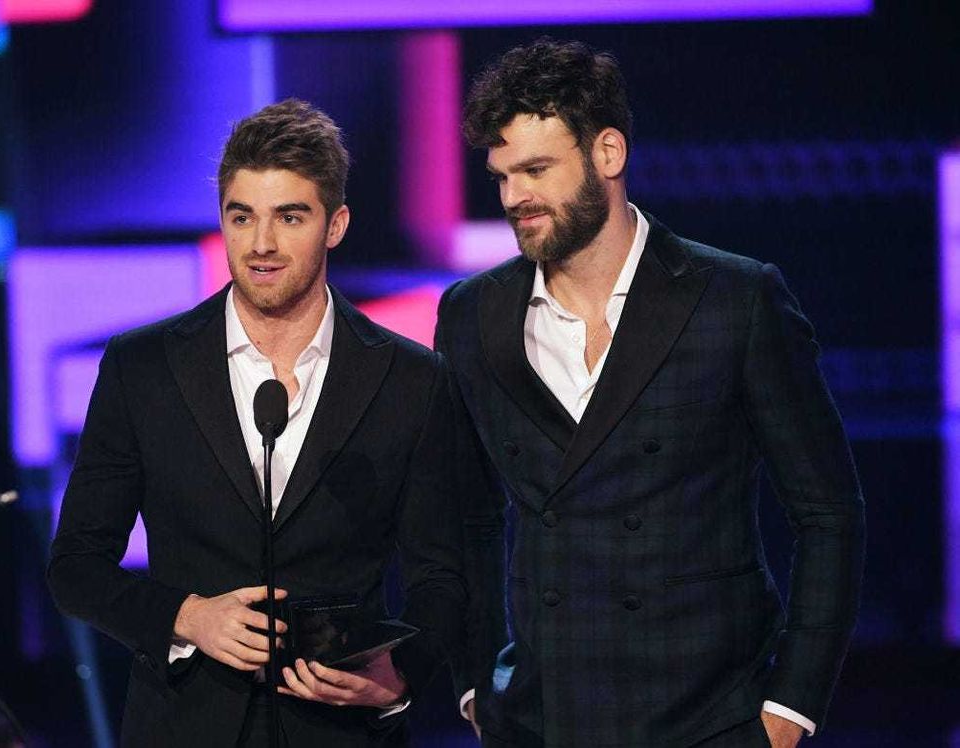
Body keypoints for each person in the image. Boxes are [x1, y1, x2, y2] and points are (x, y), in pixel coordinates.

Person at [435, 39, 865, 748]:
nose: (514, 197)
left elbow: (829, 513)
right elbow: (461, 518)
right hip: (545, 720)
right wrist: (475, 684)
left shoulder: (735, 299)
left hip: (711, 716)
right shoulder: (472, 315)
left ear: (608, 153)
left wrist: (790, 706)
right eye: (501, 176)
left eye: (536, 169)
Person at [48, 99, 466, 747]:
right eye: (242, 217)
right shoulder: (144, 367)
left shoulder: (410, 379)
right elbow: (76, 565)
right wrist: (186, 618)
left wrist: (401, 674)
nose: (261, 244)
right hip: (183, 726)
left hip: (338, 732)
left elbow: (442, 575)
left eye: (289, 217)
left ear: (336, 224)